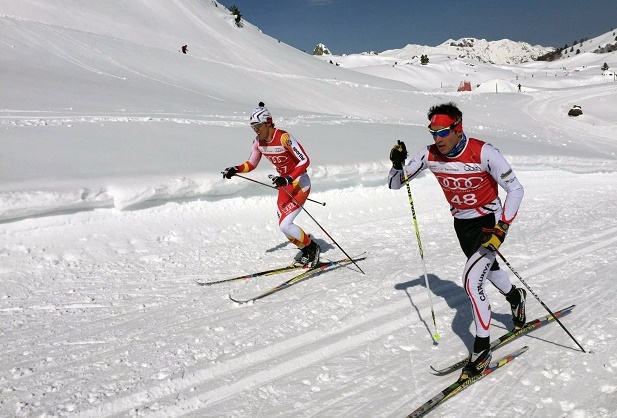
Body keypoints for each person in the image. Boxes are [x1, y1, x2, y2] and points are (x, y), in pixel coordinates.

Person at [387, 102, 526, 380]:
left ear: (457, 128)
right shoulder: (428, 155)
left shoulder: (484, 152)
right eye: (432, 132)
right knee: (489, 270)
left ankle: (482, 349)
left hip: (489, 222)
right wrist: (396, 164)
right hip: (462, 224)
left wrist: (502, 228)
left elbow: (516, 189)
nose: (437, 138)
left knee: (471, 281)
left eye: (442, 132)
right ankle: (515, 297)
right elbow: (395, 184)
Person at [223, 102, 321, 267]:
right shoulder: (258, 143)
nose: (256, 130)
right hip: (285, 186)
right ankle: (305, 250)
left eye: (257, 125)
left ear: (267, 123)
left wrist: (288, 178)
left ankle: (313, 248)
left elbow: (304, 160)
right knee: (283, 226)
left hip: (300, 184)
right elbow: (251, 164)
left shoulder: (284, 138)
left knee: (285, 224)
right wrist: (236, 169)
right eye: (253, 127)